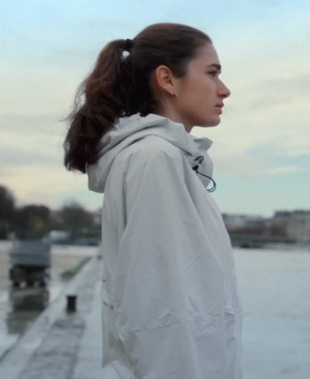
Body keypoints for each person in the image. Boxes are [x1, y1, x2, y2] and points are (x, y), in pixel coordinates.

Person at [63, 23, 242, 379]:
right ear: (167, 79)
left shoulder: (167, 160)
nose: (225, 89)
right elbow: (161, 312)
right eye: (212, 74)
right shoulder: (154, 159)